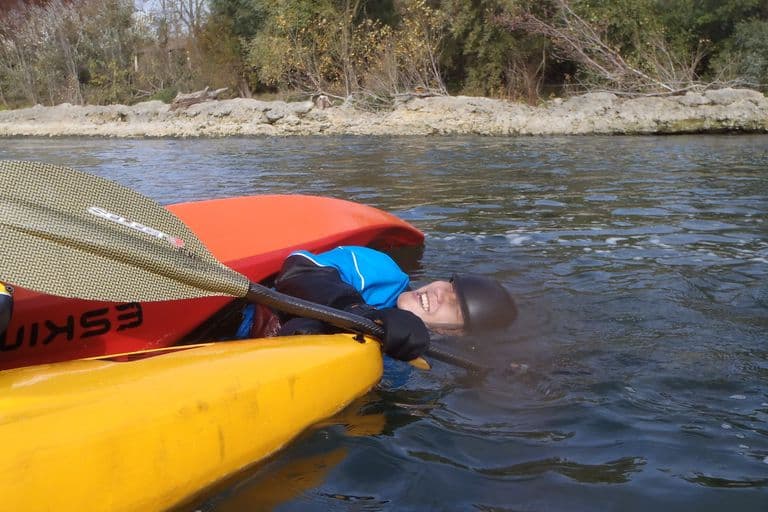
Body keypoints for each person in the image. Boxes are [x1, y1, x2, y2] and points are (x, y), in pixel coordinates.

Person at [266, 246, 517, 362]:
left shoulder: (417, 359)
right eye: (451, 285)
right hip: (246, 318)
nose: (441, 293)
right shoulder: (379, 269)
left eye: (456, 306)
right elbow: (299, 269)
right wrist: (358, 312)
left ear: (456, 333)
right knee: (306, 326)